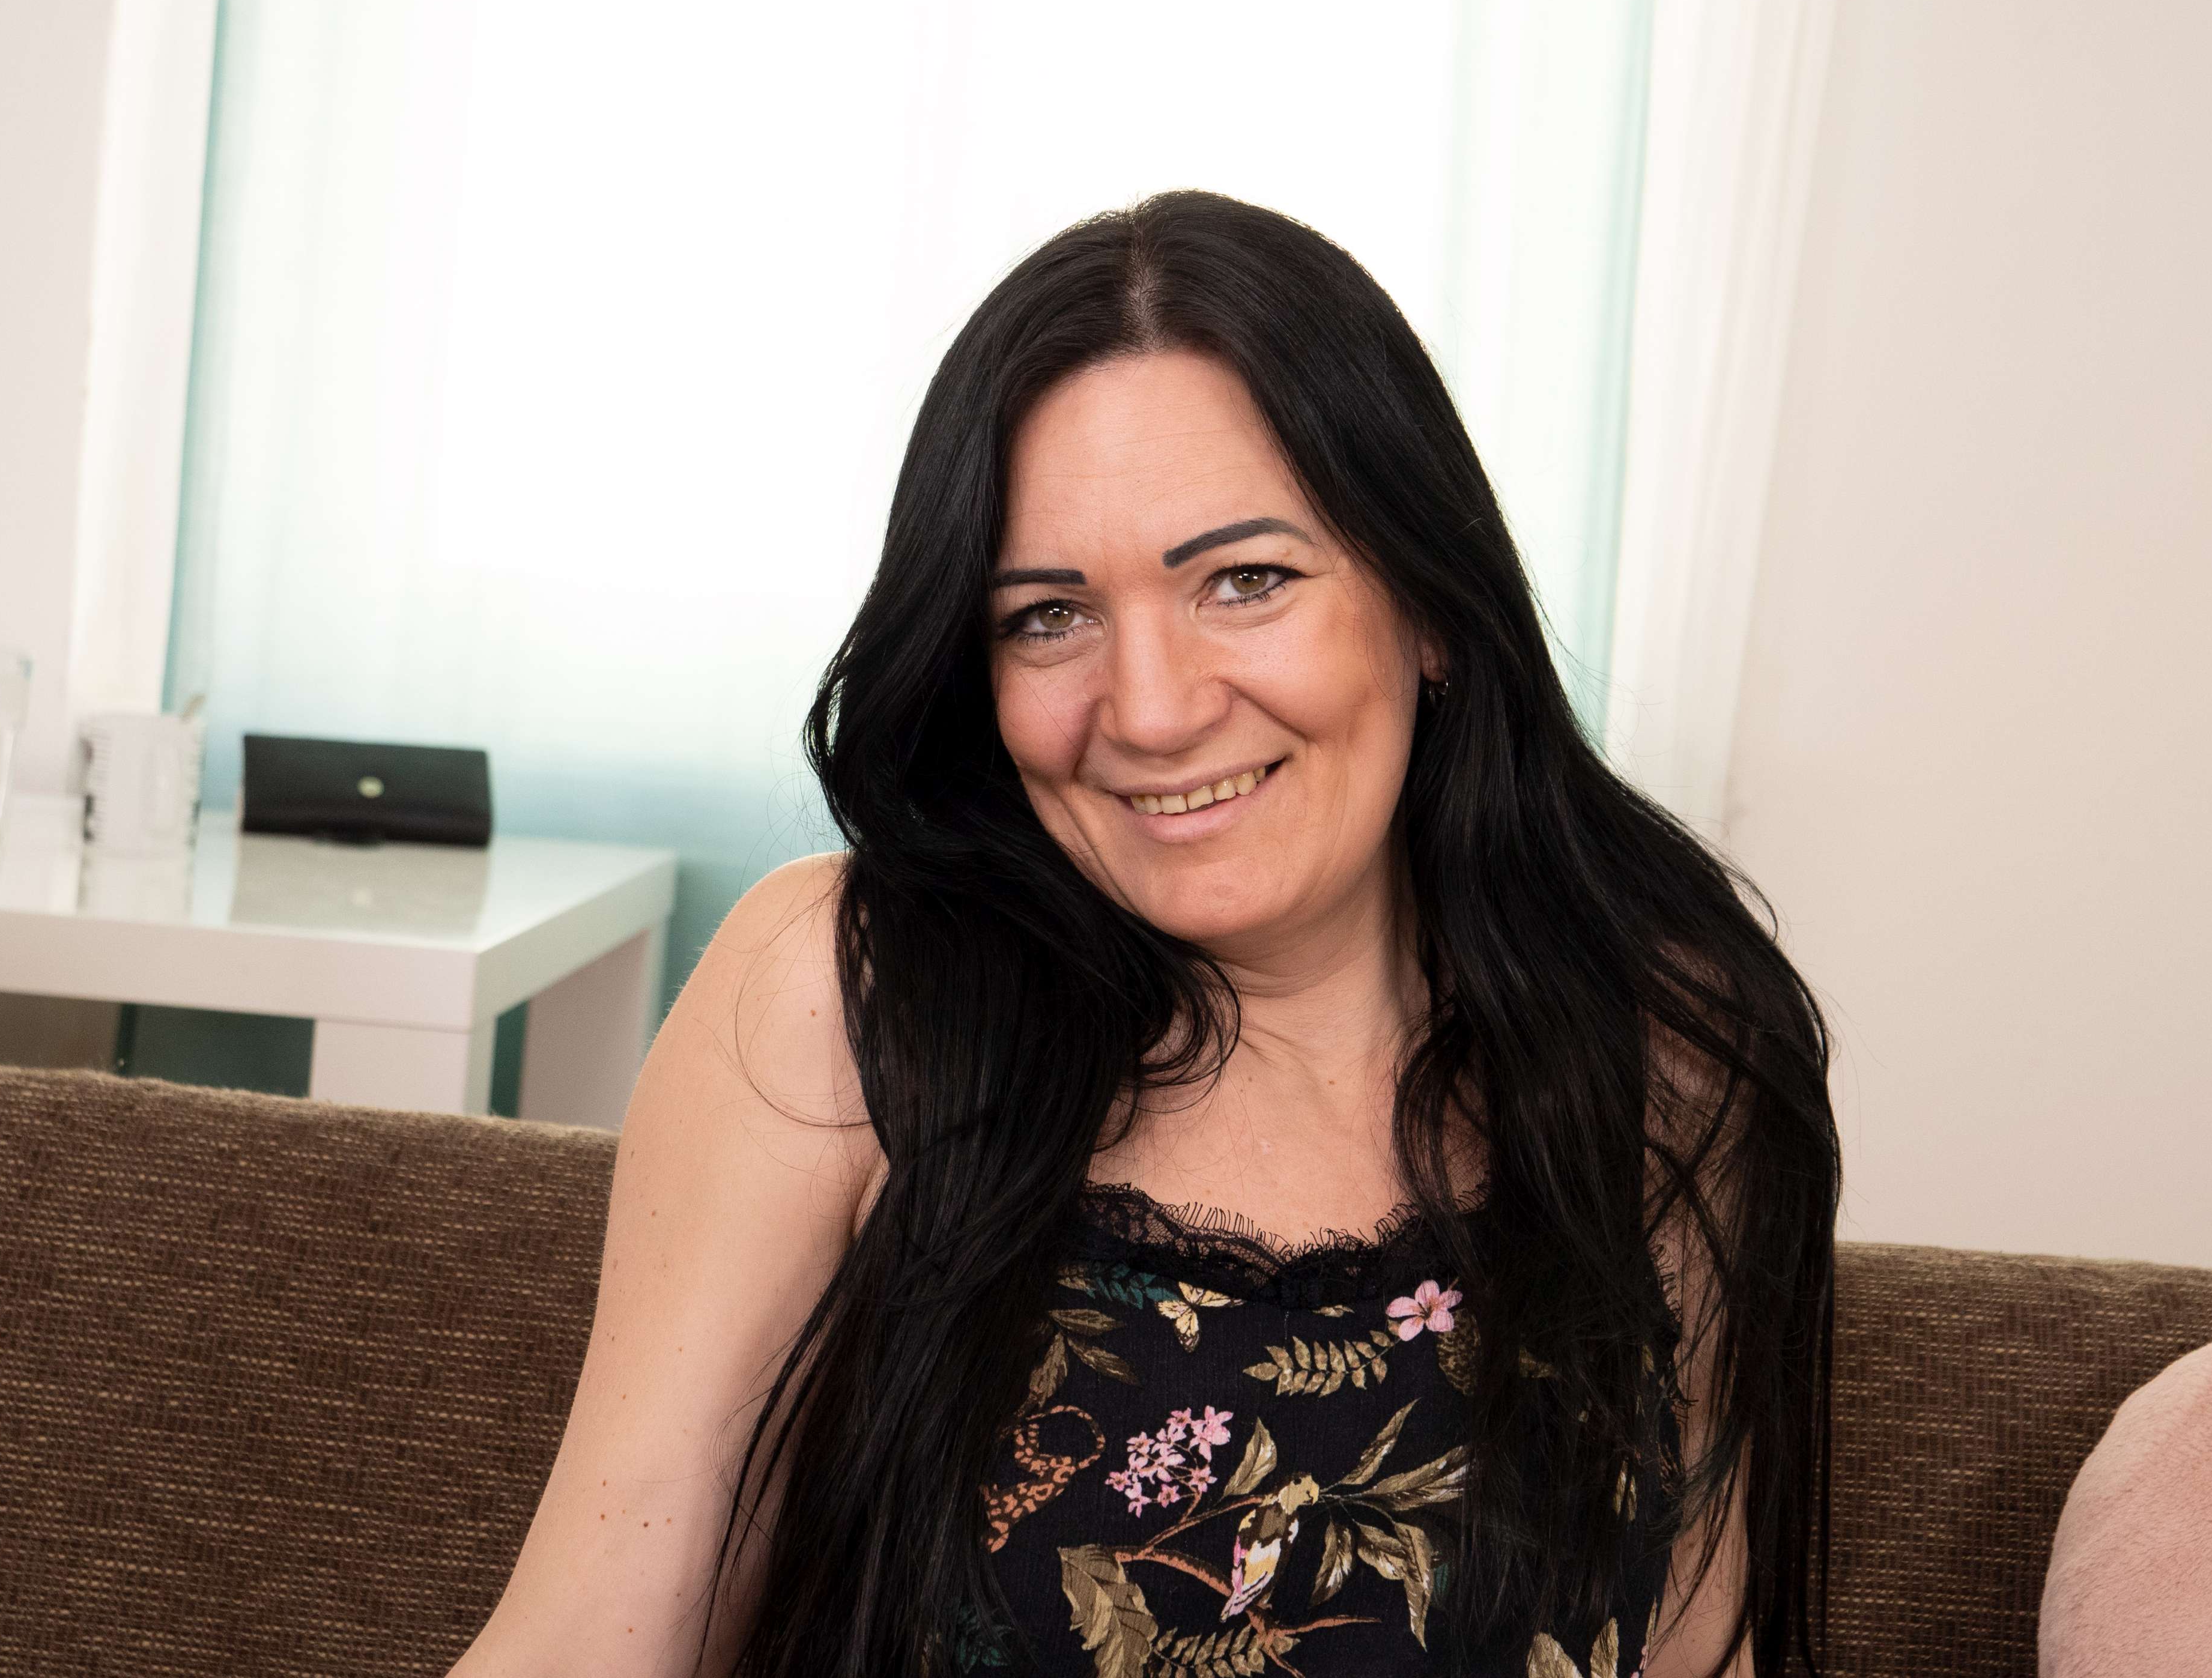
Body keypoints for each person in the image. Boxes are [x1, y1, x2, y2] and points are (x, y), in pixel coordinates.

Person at [449, 190, 1840, 1678]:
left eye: (1246, 581)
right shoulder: (843, 996)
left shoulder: (1674, 1048)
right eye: (1050, 616)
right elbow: (589, 1641)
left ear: (1431, 609)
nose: (1156, 710)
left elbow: (1700, 1642)